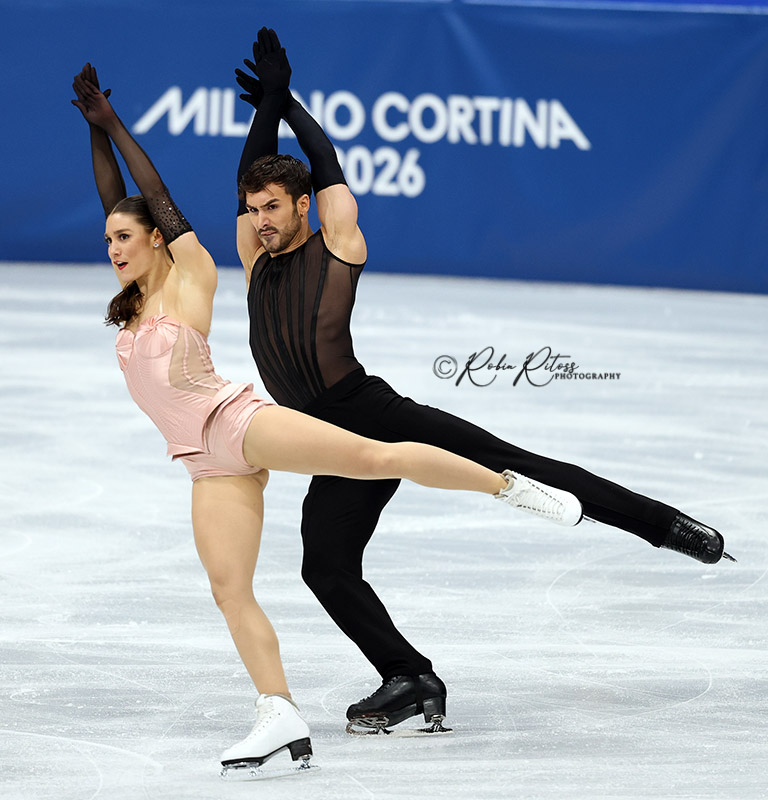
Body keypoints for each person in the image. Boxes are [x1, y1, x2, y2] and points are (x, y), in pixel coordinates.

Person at [71, 63, 583, 775]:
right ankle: (279, 713)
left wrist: (116, 127)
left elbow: (151, 196)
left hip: (236, 423)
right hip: (201, 462)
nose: (115, 250)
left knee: (377, 454)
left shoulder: (190, 277)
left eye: (126, 238)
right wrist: (93, 132)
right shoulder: (131, 299)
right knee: (229, 591)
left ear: (158, 238)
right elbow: (115, 199)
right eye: (108, 242)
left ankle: (511, 487)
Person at [233, 29, 735, 736]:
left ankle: (666, 527)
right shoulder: (254, 258)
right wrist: (270, 105)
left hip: (371, 413)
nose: (261, 221)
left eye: (274, 208)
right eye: (254, 210)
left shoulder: (338, 242)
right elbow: (249, 174)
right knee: (325, 565)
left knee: (519, 464)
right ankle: (409, 676)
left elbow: (328, 165)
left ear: (303, 206)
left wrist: (287, 104)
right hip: (327, 443)